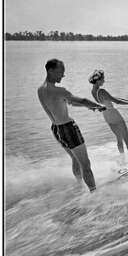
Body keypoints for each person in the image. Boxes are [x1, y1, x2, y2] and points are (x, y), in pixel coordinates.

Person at [37, 59, 105, 192]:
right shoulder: (59, 91)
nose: (63, 75)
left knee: (74, 158)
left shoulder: (41, 90)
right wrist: (97, 105)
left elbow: (71, 103)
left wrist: (90, 107)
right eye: (60, 72)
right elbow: (82, 100)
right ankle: (95, 193)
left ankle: (79, 186)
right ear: (50, 71)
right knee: (85, 164)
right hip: (68, 128)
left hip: (56, 129)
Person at [88, 69, 128, 159]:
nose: (104, 81)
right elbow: (116, 101)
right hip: (115, 116)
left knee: (119, 138)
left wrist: (126, 100)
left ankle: (123, 159)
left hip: (107, 116)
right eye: (103, 79)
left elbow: (110, 97)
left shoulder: (93, 91)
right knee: (127, 139)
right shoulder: (102, 91)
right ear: (98, 80)